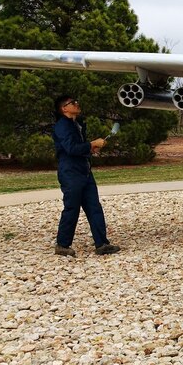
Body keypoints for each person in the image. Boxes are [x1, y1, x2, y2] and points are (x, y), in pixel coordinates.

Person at [52, 96, 120, 256]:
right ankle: (62, 245)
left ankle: (102, 244)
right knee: (72, 208)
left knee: (94, 207)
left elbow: (77, 148)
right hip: (70, 173)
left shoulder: (77, 124)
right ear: (64, 108)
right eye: (73, 103)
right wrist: (91, 144)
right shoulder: (62, 126)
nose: (77, 104)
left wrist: (89, 149)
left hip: (84, 171)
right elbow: (70, 148)